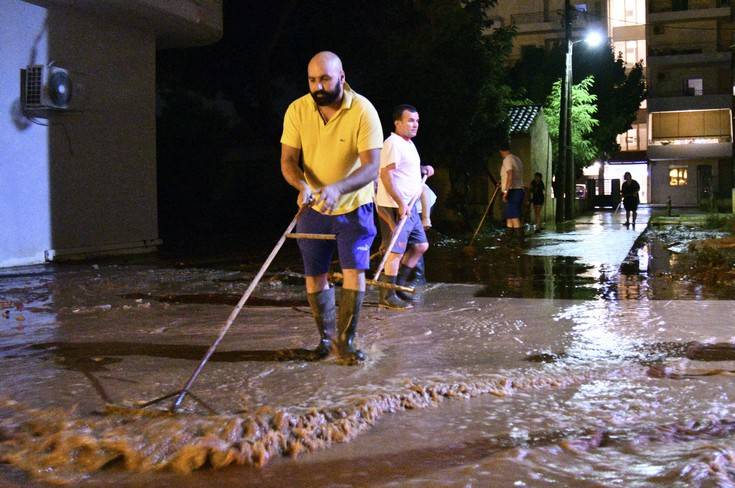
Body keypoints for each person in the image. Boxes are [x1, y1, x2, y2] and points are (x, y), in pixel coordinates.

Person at [280, 51, 383, 365]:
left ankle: (347, 341)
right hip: (313, 208)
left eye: (325, 78)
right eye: (312, 80)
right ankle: (324, 341)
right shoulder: (297, 110)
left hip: (354, 206)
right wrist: (302, 186)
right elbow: (287, 161)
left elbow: (371, 166)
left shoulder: (363, 110)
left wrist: (338, 187)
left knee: (354, 272)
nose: (318, 86)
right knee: (315, 276)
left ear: (341, 76)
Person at [375, 104, 434, 309]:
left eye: (417, 121)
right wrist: (400, 204)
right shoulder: (392, 143)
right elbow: (386, 174)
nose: (415, 124)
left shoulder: (408, 144)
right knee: (395, 251)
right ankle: (387, 296)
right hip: (396, 206)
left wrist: (422, 168)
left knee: (420, 246)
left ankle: (398, 287)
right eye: (410, 120)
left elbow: (405, 167)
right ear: (397, 123)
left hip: (411, 207)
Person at [499, 141, 525, 243]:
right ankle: (509, 239)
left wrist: (506, 191)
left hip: (513, 191)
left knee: (514, 216)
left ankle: (520, 241)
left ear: (501, 151)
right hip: (518, 190)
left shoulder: (507, 160)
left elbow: (510, 175)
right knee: (509, 216)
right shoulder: (517, 159)